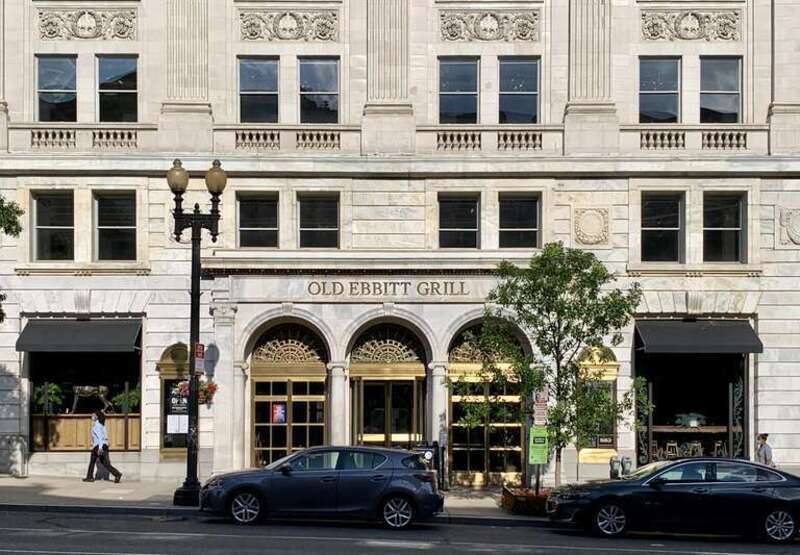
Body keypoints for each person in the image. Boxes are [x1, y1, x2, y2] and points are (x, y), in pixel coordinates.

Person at [83, 411, 122, 483]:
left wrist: (100, 448)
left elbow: (100, 437)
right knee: (103, 463)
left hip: (98, 446)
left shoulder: (97, 426)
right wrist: (105, 444)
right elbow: (105, 437)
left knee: (95, 462)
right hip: (101, 445)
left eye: (93, 415)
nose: (92, 416)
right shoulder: (102, 425)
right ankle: (117, 474)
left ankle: (90, 477)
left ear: (97, 417)